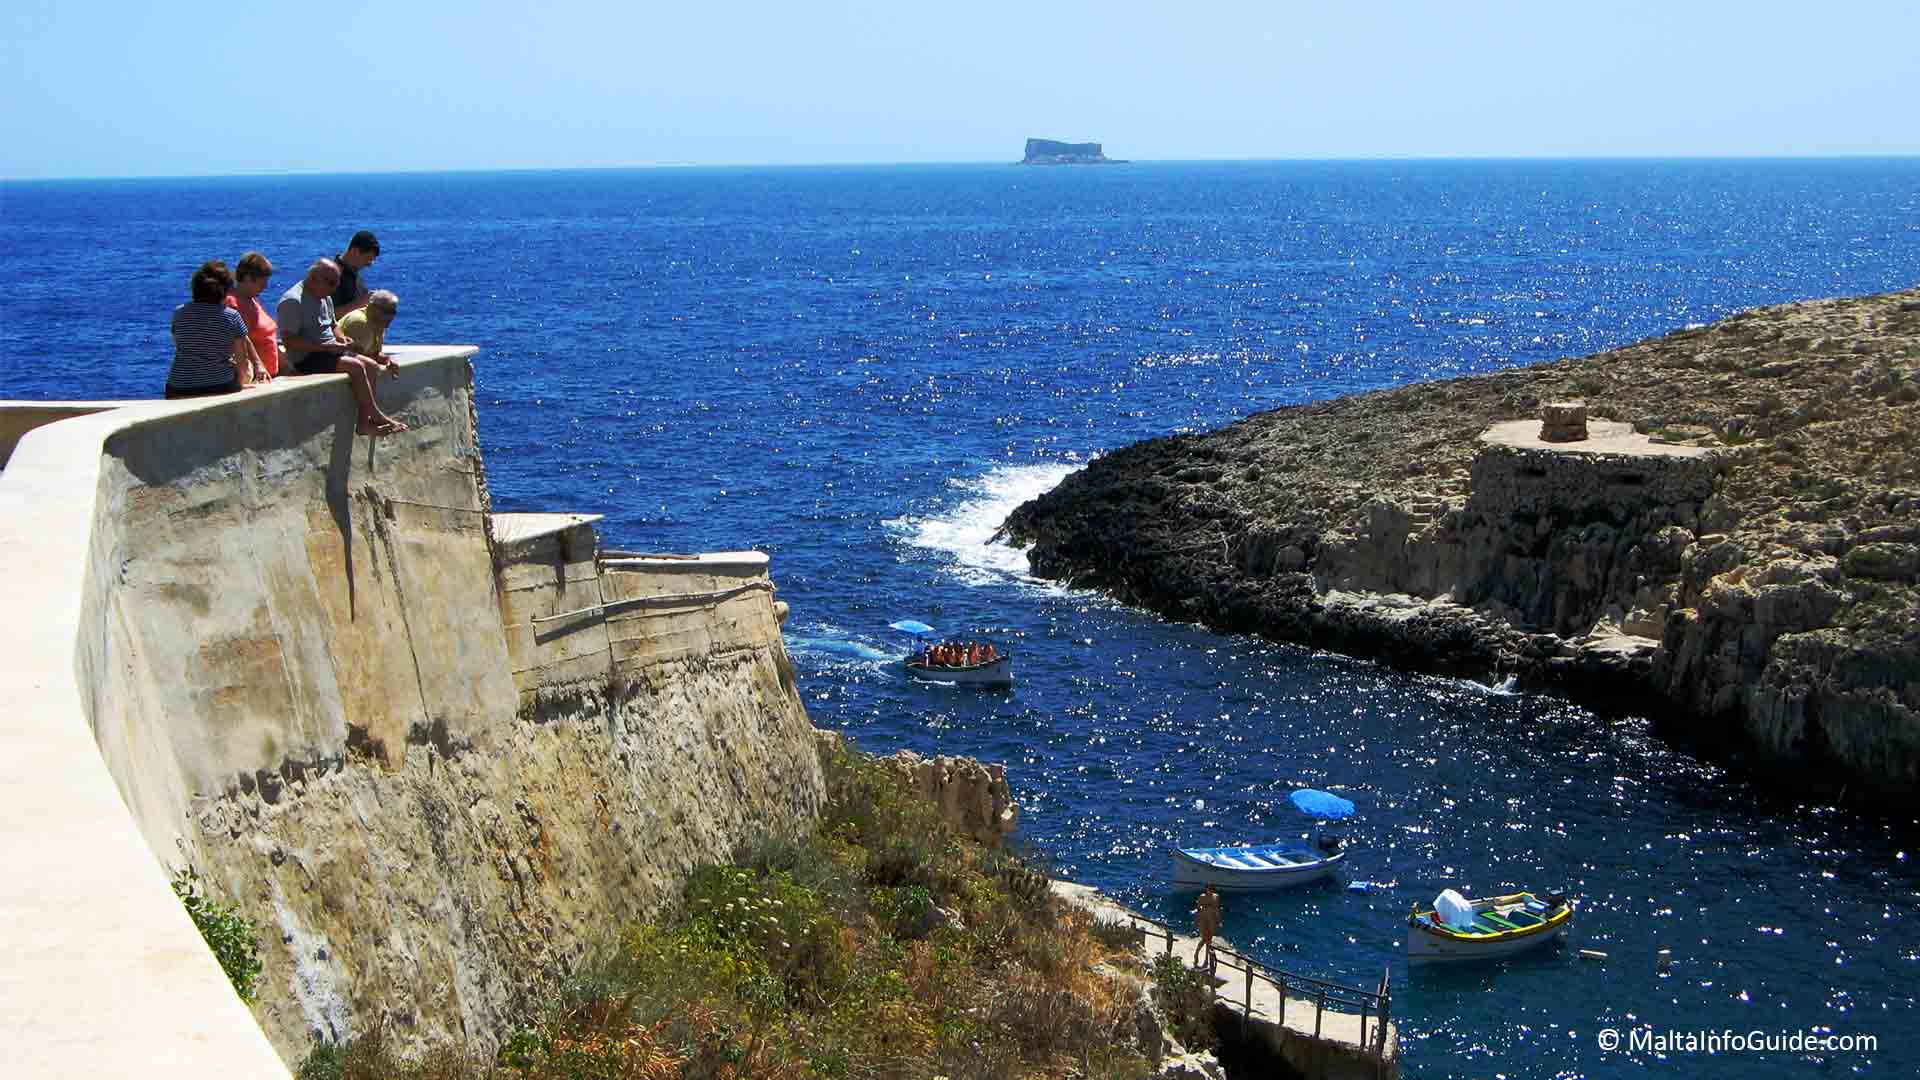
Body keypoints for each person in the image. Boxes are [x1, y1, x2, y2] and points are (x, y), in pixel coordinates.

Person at [278, 259, 408, 435]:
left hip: (330, 352)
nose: (334, 288)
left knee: (371, 365)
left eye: (337, 284)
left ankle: (364, 423)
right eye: (331, 283)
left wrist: (341, 338)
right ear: (315, 278)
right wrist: (324, 348)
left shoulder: (325, 298)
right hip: (306, 358)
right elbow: (289, 341)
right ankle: (376, 415)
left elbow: (333, 325)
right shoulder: (293, 301)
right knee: (356, 366)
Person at [164, 260, 255, 399]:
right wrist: (241, 383)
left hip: (178, 386)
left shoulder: (179, 313)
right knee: (248, 369)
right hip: (220, 384)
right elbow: (242, 358)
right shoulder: (232, 316)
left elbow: (179, 346)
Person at [223, 252, 279, 381]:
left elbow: (268, 336)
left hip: (270, 376)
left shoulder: (252, 300)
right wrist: (258, 365)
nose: (265, 286)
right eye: (262, 282)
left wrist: (287, 366)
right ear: (248, 278)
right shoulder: (233, 303)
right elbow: (242, 339)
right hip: (257, 377)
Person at [337, 289, 400, 375]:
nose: (391, 316)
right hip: (334, 360)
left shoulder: (378, 324)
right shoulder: (360, 322)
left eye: (393, 312)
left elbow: (374, 353)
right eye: (387, 311)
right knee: (372, 367)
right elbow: (357, 355)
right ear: (372, 307)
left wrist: (388, 359)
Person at [330, 230, 379, 317]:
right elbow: (327, 315)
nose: (370, 264)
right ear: (354, 251)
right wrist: (360, 303)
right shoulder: (330, 275)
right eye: (368, 258)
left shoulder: (355, 274)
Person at [1193, 883, 1221, 970]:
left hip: (1211, 920)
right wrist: (1197, 921)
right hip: (1203, 920)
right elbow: (1198, 909)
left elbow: (1217, 910)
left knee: (1209, 941)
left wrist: (1219, 920)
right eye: (1208, 889)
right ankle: (1196, 953)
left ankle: (1206, 960)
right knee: (1204, 939)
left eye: (1211, 889)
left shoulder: (1216, 897)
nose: (1209, 891)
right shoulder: (1202, 897)